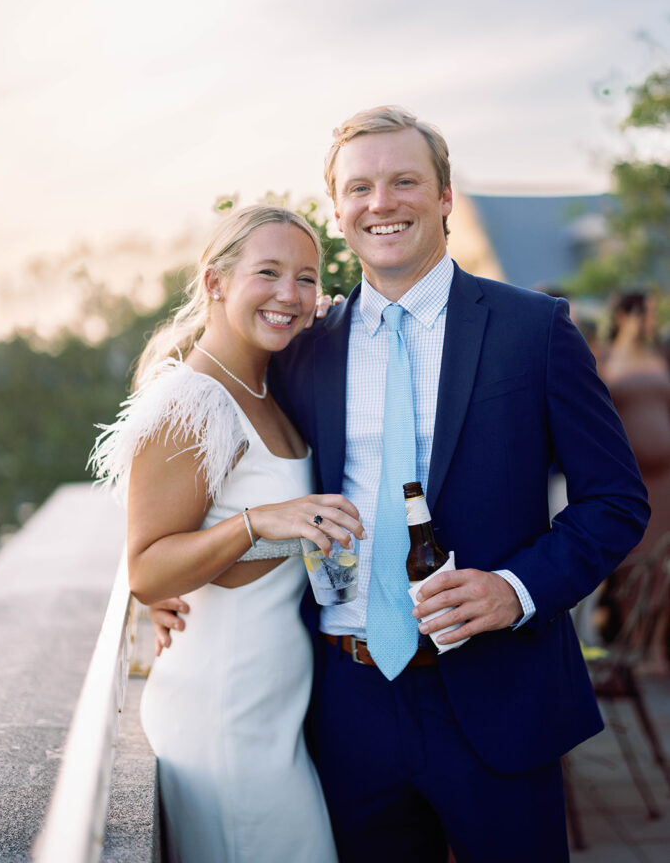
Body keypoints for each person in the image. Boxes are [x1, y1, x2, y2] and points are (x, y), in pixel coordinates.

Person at [154, 107, 648, 863]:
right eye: (359, 188)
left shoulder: (534, 328)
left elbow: (614, 501)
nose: (380, 203)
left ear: (445, 196)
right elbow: (200, 437)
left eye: (404, 181)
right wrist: (158, 582)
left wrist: (514, 588)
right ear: (341, 210)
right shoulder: (303, 343)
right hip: (342, 700)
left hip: (497, 690)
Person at [90, 205, 364, 863]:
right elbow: (148, 570)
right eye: (267, 273)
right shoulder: (191, 400)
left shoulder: (268, 386)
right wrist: (256, 523)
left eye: (306, 278)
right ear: (213, 282)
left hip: (272, 711)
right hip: (224, 716)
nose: (289, 294)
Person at [599, 290, 670, 672]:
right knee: (636, 561)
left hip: (668, 480)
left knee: (665, 562)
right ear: (628, 316)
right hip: (632, 480)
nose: (654, 321)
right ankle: (638, 644)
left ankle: (659, 648)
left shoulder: (660, 356)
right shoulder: (604, 360)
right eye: (649, 313)